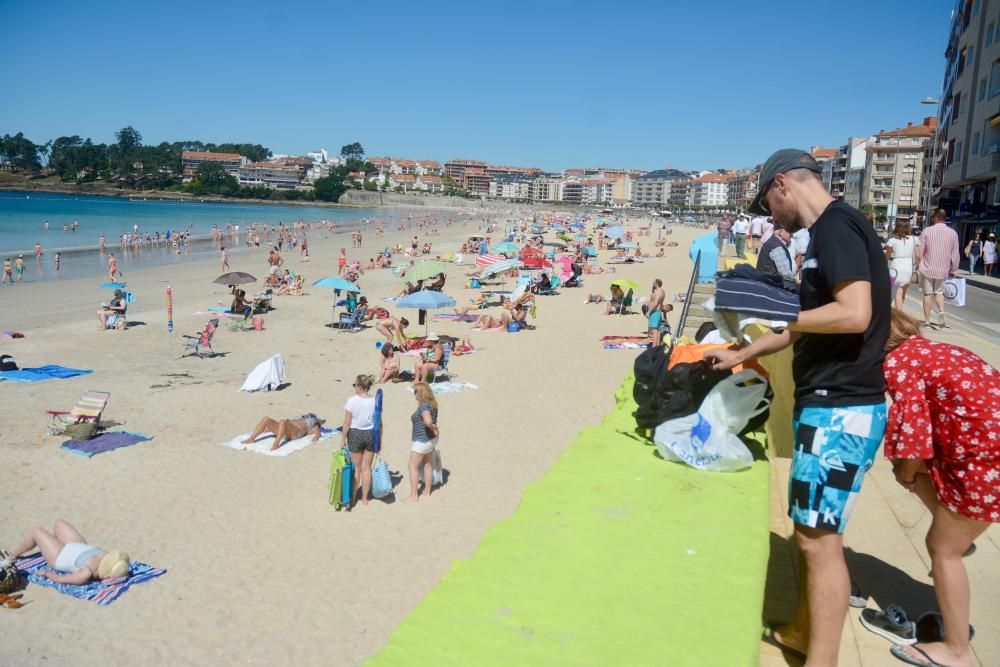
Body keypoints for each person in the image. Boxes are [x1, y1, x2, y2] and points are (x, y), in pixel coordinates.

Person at [707, 149, 890, 666]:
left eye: (767, 202)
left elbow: (854, 314)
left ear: (782, 184)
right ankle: (801, 631)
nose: (769, 216)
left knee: (817, 542)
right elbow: (800, 326)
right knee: (811, 528)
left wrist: (785, 307)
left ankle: (821, 660)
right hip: (831, 402)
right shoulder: (828, 234)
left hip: (841, 405)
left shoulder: (836, 227)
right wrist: (743, 352)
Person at [879, 309, 999, 667]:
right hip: (983, 449)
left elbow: (913, 437)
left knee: (941, 548)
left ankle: (956, 649)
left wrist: (904, 473)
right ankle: (960, 538)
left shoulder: (898, 364)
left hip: (985, 459)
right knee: (947, 540)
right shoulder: (932, 350)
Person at [8, 519, 130, 584]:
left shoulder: (85, 573)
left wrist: (46, 573)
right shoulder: (106, 557)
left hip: (59, 555)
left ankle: (11, 555)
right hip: (77, 545)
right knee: (59, 523)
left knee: (36, 531)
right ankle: (50, 544)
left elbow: (61, 579)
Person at [917, 209, 960, 329]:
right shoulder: (953, 233)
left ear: (935, 218)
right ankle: (941, 311)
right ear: (945, 218)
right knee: (939, 292)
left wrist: (917, 264)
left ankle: (927, 321)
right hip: (943, 269)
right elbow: (955, 254)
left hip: (927, 268)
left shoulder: (927, 231)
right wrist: (954, 269)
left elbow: (920, 250)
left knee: (927, 294)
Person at [341, 375, 378, 506]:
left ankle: (353, 498)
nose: (354, 387)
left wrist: (342, 441)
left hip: (355, 433)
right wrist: (379, 440)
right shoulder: (375, 400)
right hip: (370, 434)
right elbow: (379, 422)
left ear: (360, 388)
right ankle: (365, 499)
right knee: (366, 468)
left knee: (357, 468)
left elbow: (346, 423)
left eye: (355, 385)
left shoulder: (351, 401)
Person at [403, 382, 440, 503]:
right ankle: (427, 491)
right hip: (431, 440)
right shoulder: (433, 405)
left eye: (415, 392)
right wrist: (433, 429)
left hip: (423, 440)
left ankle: (414, 496)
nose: (414, 394)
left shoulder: (424, 406)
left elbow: (427, 421)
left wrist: (432, 427)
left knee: (412, 466)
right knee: (428, 464)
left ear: (421, 393)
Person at [241, 413, 325, 451]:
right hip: (285, 430)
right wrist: (270, 428)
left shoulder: (312, 425)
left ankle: (276, 443)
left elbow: (317, 432)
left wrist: (316, 437)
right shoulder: (298, 419)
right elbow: (284, 425)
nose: (308, 417)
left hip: (295, 434)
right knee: (266, 419)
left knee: (282, 421)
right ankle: (251, 438)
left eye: (311, 417)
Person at [884, 221, 918, 310]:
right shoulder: (913, 239)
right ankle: (900, 311)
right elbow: (918, 254)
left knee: (897, 294)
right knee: (903, 293)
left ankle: (900, 316)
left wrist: (884, 262)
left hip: (896, 267)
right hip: (908, 267)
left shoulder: (892, 240)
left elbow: (887, 255)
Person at [647, 279, 667, 346]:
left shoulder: (658, 291)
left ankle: (654, 346)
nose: (652, 283)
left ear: (656, 283)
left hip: (655, 312)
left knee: (654, 330)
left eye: (654, 282)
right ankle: (657, 346)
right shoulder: (661, 291)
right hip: (657, 312)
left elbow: (655, 303)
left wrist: (649, 311)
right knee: (657, 330)